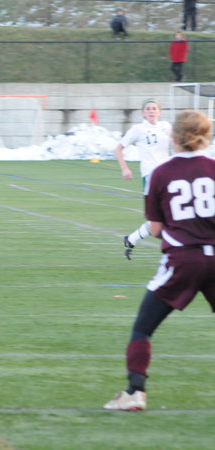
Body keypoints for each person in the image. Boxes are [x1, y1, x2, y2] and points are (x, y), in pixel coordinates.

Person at [104, 110, 215, 411]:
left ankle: (135, 392)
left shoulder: (162, 174)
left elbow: (155, 229)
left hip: (183, 260)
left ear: (174, 137)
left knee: (143, 327)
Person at [115, 99, 172, 259]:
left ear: (159, 111)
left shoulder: (166, 126)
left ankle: (131, 239)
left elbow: (176, 144)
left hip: (168, 176)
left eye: (154, 108)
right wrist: (124, 168)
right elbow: (118, 148)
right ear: (143, 112)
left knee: (169, 214)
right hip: (151, 177)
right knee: (161, 217)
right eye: (148, 109)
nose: (151, 111)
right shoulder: (138, 129)